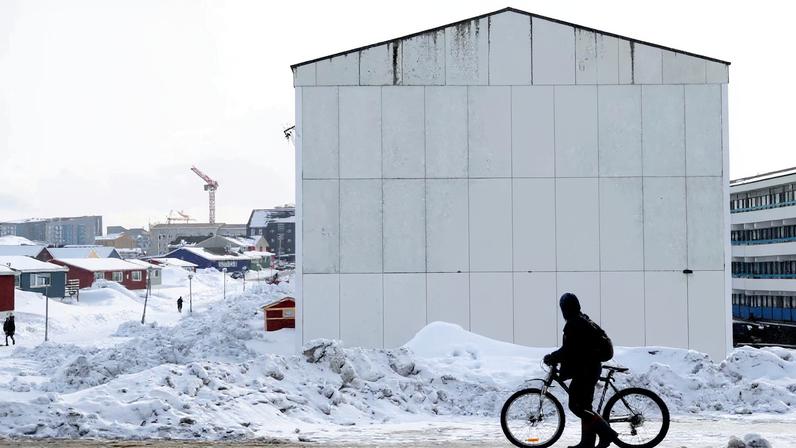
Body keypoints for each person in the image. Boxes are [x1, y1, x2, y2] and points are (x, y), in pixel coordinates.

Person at [543, 293, 618, 448]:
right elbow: (576, 349)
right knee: (585, 407)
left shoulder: (574, 324)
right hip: (589, 367)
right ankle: (587, 443)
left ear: (565, 308)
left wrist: (552, 357)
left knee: (577, 406)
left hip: (587, 370)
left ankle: (607, 433)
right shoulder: (582, 319)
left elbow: (569, 349)